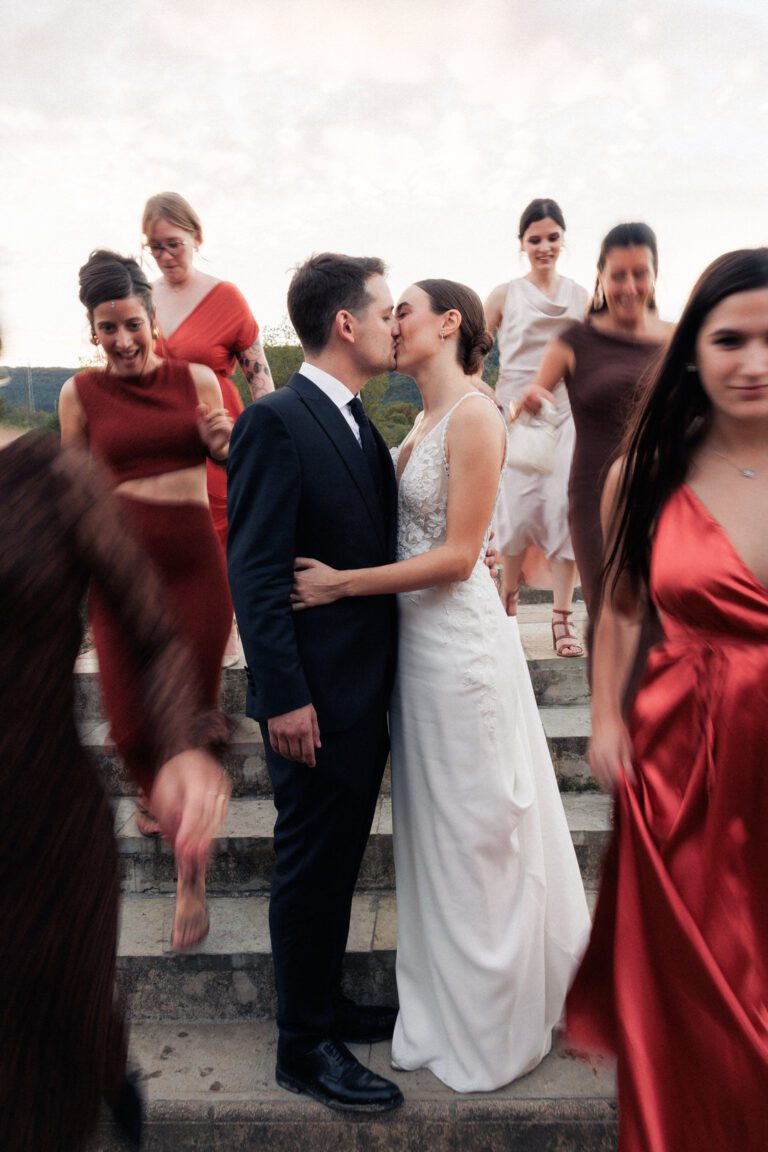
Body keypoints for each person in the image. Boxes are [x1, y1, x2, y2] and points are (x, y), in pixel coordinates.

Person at [292, 279, 591, 1092]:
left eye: (403, 312)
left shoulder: (476, 416)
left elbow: (461, 557)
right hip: (413, 664)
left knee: (478, 833)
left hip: (460, 658)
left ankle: (492, 1021)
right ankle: (445, 1005)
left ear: (448, 323)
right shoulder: (421, 418)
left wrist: (342, 584)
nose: (391, 325)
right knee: (436, 840)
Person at [566, 248, 768, 1151]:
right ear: (692, 351)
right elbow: (616, 612)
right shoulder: (643, 475)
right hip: (687, 756)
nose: (754, 361)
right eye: (730, 339)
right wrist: (608, 719)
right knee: (700, 986)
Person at [0, 424, 231, 1152]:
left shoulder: (52, 475)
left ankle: (99, 1064)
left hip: (44, 838)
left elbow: (154, 630)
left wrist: (177, 748)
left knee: (38, 1090)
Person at [227, 253, 404, 1113]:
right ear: (345, 323)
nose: (392, 325)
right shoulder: (277, 420)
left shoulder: (363, 425)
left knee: (335, 867)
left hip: (361, 696)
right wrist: (285, 696)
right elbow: (255, 574)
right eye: (382, 311)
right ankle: (302, 1044)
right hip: (312, 702)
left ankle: (326, 1002)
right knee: (308, 868)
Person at [59, 250, 233, 950]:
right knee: (131, 730)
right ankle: (153, 781)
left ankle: (192, 882)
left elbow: (231, 458)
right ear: (93, 332)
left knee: (188, 725)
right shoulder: (78, 395)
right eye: (108, 329)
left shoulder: (196, 380)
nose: (123, 340)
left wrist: (224, 443)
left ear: (153, 319)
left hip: (195, 574)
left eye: (133, 323)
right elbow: (73, 493)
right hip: (119, 581)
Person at [142, 192, 274, 665]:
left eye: (173, 243)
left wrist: (269, 442)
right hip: (161, 435)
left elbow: (261, 379)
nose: (164, 256)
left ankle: (226, 630)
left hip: (221, 434)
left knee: (220, 528)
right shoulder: (144, 296)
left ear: (196, 237)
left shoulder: (226, 296)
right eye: (154, 247)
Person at [521, 222, 671, 630]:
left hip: (666, 496)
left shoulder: (675, 339)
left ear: (655, 275)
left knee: (668, 620)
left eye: (639, 273)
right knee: (612, 622)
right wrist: (534, 399)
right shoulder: (574, 340)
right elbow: (534, 393)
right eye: (617, 274)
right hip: (594, 498)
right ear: (601, 276)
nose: (628, 286)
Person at [484, 198, 588, 653]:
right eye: (534, 239)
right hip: (515, 416)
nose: (544, 247)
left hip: (566, 416)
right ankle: (507, 604)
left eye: (552, 238)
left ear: (563, 239)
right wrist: (485, 398)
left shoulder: (582, 297)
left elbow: (595, 354)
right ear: (522, 243)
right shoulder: (505, 295)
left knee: (565, 514)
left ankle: (562, 619)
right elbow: (472, 352)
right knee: (515, 515)